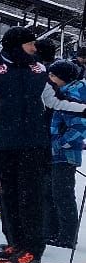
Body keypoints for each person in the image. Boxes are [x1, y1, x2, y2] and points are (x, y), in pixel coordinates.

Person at [0, 26, 86, 263]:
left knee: (31, 196)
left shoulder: (38, 69)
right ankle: (16, 241)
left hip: (33, 144)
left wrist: (83, 107)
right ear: (16, 45)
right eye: (30, 44)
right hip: (3, 143)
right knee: (9, 195)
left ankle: (33, 247)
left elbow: (55, 99)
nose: (34, 48)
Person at [46, 60, 86, 249]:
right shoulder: (61, 93)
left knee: (63, 194)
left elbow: (79, 127)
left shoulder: (71, 96)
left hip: (65, 153)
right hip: (58, 151)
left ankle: (67, 235)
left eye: (53, 76)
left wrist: (58, 144)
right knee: (54, 193)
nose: (50, 79)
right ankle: (54, 230)